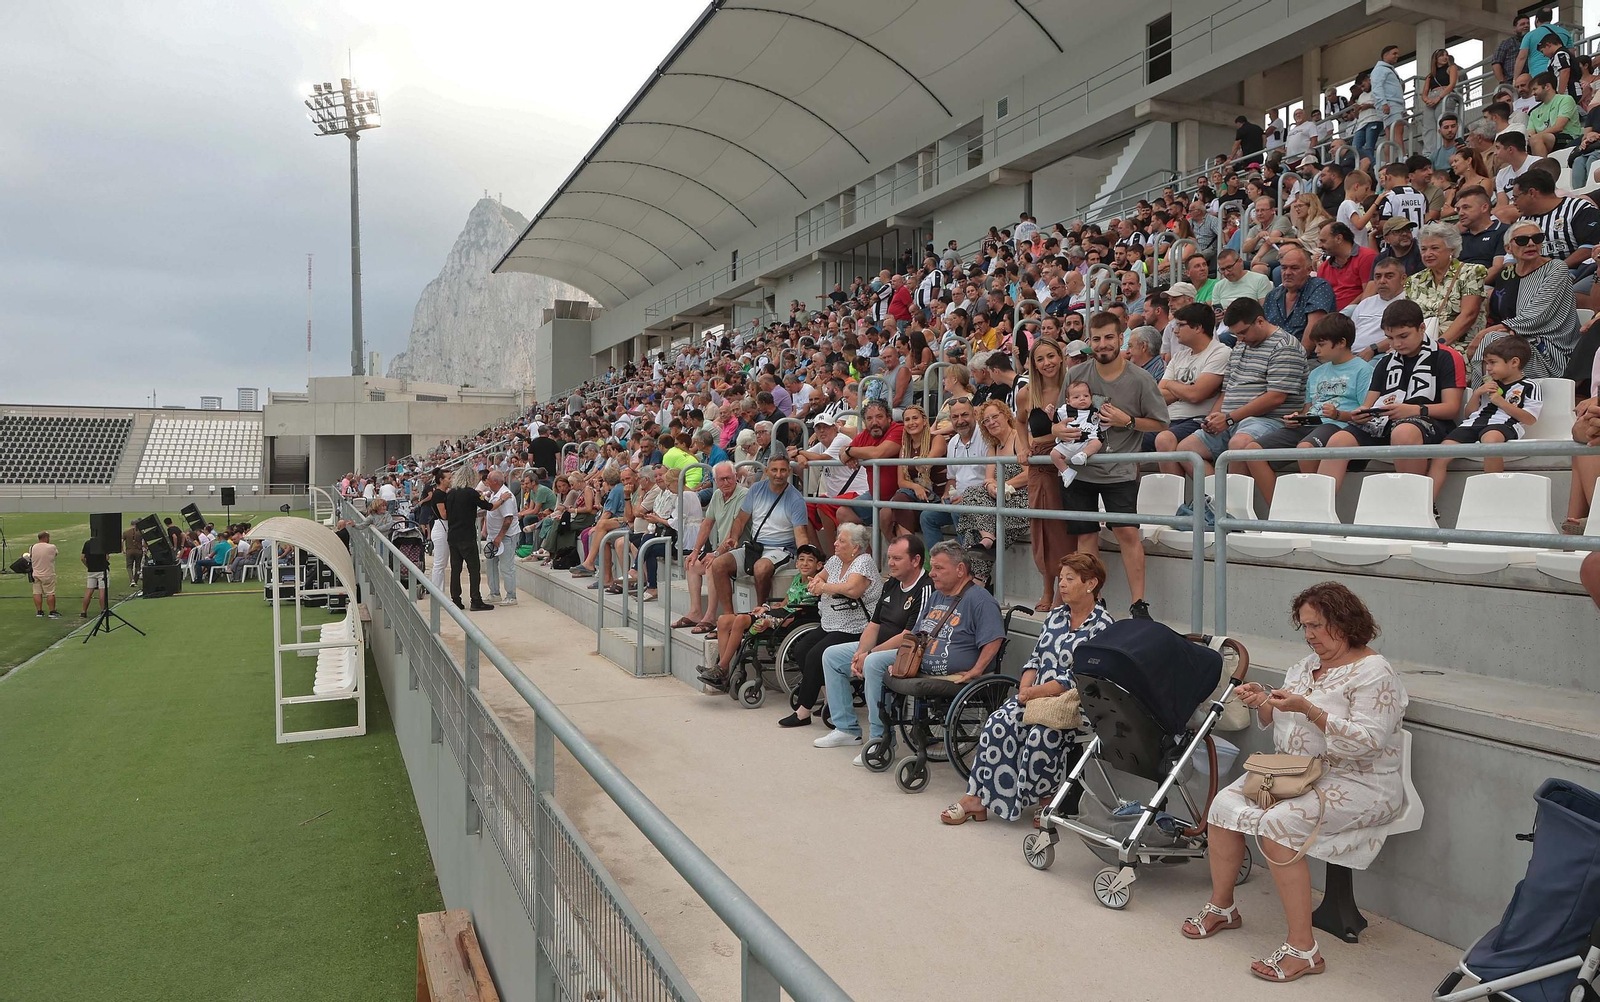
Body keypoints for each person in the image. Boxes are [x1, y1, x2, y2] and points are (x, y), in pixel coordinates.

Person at [1186, 583, 1408, 985]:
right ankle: (1223, 908)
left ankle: (1304, 950)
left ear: (1345, 622)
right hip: (1296, 772)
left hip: (1360, 781)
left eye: (1318, 626)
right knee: (1222, 806)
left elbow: (1371, 743)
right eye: (1304, 626)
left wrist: (1309, 709)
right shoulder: (1306, 665)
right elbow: (1285, 723)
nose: (1310, 635)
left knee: (1278, 825)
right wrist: (1265, 701)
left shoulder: (1375, 673)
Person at [940, 553, 1116, 826]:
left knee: (1042, 735)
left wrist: (1035, 693)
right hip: (1034, 696)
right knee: (998, 723)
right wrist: (1024, 688)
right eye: (1061, 579)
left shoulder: (1103, 625)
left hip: (1073, 705)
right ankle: (976, 798)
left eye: (1070, 579)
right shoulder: (1056, 616)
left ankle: (1046, 801)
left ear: (1091, 583)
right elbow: (1035, 658)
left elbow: (1080, 677)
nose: (1062, 585)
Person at [1066, 313, 1169, 620]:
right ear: (1089, 341)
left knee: (1126, 532)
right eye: (1096, 338)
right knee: (1085, 537)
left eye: (1109, 337)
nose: (1102, 344)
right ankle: (1091, 602)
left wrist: (1130, 421)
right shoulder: (1076, 374)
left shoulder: (1140, 378)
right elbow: (1062, 415)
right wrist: (1060, 430)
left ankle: (1138, 604)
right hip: (1080, 470)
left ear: (1121, 337)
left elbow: (1162, 422)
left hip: (1120, 469)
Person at [1314, 299, 1466, 490]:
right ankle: (1319, 509)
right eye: (1390, 338)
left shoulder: (1447, 356)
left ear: (1421, 328)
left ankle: (1414, 503)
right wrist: (1361, 414)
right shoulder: (1385, 363)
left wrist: (1413, 410)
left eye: (1403, 336)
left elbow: (1451, 408)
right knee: (1338, 440)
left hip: (1429, 421)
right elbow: (1368, 405)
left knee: (1403, 432)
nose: (1397, 344)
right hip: (1384, 422)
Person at [816, 535, 933, 760]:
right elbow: (873, 624)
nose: (890, 563)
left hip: (909, 652)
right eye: (889, 557)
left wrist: (869, 655)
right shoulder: (891, 583)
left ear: (916, 560)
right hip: (878, 649)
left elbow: (910, 636)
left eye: (897, 558)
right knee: (831, 655)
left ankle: (881, 740)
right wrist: (860, 653)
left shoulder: (925, 588)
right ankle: (847, 729)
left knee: (871, 663)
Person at [1243, 314, 1373, 504]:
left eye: (1321, 345)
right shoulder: (1317, 372)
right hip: (1310, 424)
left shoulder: (1363, 369)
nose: (1316, 350)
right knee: (1253, 451)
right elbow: (1309, 409)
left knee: (1305, 448)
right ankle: (1279, 512)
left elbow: (1365, 414)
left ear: (1341, 342)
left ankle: (1315, 510)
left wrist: (1338, 414)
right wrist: (1298, 418)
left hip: (1338, 426)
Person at [878, 540, 1007, 723]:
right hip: (923, 670)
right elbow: (915, 636)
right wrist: (901, 662)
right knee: (882, 669)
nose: (932, 574)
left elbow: (994, 639)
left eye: (938, 568)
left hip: (954, 678)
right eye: (932, 568)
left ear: (960, 570)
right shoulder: (937, 595)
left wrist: (977, 671)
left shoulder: (980, 600)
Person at [1176, 297, 1307, 475]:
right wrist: (1214, 417)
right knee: (1186, 449)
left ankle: (1231, 501)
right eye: (1236, 334)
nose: (1240, 338)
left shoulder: (1285, 346)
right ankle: (1217, 500)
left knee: (1238, 445)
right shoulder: (1240, 345)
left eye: (1243, 332)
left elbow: (1276, 397)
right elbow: (1227, 391)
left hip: (1267, 421)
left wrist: (1230, 418)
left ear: (1260, 321)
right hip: (1232, 420)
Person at [777, 523, 882, 729]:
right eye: (837, 539)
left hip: (856, 627)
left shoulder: (863, 562)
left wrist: (823, 587)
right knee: (801, 649)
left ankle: (803, 711)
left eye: (841, 541)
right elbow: (817, 578)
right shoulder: (835, 560)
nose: (834, 543)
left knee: (816, 655)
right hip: (830, 623)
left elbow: (853, 589)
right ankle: (829, 698)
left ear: (855, 547)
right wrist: (816, 583)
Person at [1428, 335, 1544, 496]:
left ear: (1514, 362)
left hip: (1503, 424)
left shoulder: (1530, 386)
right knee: (1441, 454)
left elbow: (1530, 419)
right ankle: (1429, 503)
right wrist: (1476, 394)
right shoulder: (1487, 385)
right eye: (1486, 363)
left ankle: (1492, 496)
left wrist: (1502, 402)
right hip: (1473, 424)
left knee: (1490, 441)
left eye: (1493, 362)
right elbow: (1469, 414)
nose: (1488, 368)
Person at [1474, 218, 1583, 382]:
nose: (1531, 244)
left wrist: (1483, 334)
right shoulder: (1506, 274)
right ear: (1508, 248)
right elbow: (1500, 316)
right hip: (1516, 340)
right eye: (1522, 240)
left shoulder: (1556, 268)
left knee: (1491, 340)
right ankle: (1489, 398)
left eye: (1537, 238)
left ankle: (1485, 400)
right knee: (1494, 343)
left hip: (1551, 349)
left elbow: (1537, 316)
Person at [698, 544, 822, 688]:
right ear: (797, 562)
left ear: (819, 565)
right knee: (723, 620)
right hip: (780, 613)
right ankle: (721, 670)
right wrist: (765, 608)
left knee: (740, 620)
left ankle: (722, 667)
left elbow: (800, 612)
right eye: (801, 559)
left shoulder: (816, 585)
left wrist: (772, 620)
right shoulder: (797, 578)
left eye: (810, 560)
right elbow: (783, 604)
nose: (805, 563)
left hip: (788, 620)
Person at [706, 455, 814, 612]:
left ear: (789, 472)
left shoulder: (796, 499)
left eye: (783, 470)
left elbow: (801, 534)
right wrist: (734, 538)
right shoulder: (756, 489)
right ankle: (728, 616)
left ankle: (760, 610)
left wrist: (804, 558)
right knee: (718, 564)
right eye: (774, 470)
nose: (778, 474)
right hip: (755, 547)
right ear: (766, 471)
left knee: (761, 567)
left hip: (781, 550)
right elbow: (740, 520)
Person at [954, 399, 1030, 585]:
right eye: (986, 420)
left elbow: (1030, 474)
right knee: (972, 494)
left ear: (1006, 416)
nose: (991, 422)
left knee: (976, 529)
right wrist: (991, 486)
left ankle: (977, 581)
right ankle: (987, 542)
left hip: (1021, 499)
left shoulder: (1019, 438)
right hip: (998, 499)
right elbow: (988, 479)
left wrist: (1002, 486)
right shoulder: (993, 446)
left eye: (995, 417)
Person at [678, 462, 747, 633]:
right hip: (722, 549)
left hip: (741, 549)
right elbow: (707, 524)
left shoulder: (744, 495)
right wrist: (695, 551)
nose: (726, 482)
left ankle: (710, 617)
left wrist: (715, 553)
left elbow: (735, 530)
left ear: (735, 477)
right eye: (721, 479)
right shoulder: (717, 495)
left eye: (729, 478)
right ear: (715, 480)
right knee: (692, 565)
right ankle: (695, 612)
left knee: (712, 566)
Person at [919, 397, 988, 545]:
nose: (960, 420)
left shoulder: (986, 438)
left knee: (958, 510)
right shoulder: (953, 443)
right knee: (927, 516)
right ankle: (939, 564)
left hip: (982, 500)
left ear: (974, 414)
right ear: (950, 419)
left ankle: (966, 561)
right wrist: (946, 494)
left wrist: (966, 498)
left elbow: (993, 478)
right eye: (955, 417)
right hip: (959, 501)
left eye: (964, 415)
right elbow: (952, 479)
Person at [1264, 246, 1336, 350]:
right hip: (1273, 357)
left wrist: (1295, 360)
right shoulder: (1272, 296)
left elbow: (1314, 330)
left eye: (1294, 268)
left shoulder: (1318, 287)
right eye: (1284, 268)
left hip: (1310, 359)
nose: (1287, 273)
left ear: (1309, 270)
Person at [445, 472, 495, 611]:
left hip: (453, 535)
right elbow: (488, 506)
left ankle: (456, 599)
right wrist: (501, 500)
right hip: (467, 536)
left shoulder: (451, 493)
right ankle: (476, 600)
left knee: (456, 569)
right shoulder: (471, 493)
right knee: (473, 569)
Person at [1049, 380, 1104, 487]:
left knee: (1097, 442)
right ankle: (1066, 472)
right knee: (1054, 454)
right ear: (1068, 401)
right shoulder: (1064, 410)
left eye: (1086, 396)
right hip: (1069, 443)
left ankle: (1083, 455)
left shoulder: (1095, 411)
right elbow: (1055, 420)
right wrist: (1050, 413)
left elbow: (1104, 423)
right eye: (1076, 397)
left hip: (1087, 441)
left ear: (1091, 398)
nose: (1082, 398)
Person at [482, 469, 518, 606]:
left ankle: (511, 595)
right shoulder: (495, 494)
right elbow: (489, 512)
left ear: (495, 481)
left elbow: (508, 519)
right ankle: (494, 593)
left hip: (505, 537)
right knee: (491, 565)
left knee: (506, 567)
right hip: (493, 536)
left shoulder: (506, 496)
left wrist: (499, 537)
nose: (487, 482)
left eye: (489, 480)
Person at [1528, 69, 1582, 156]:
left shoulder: (1565, 99)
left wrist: (1535, 137)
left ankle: (1542, 169)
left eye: (1535, 89)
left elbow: (1559, 127)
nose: (1533, 93)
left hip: (1570, 137)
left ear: (1547, 86)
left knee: (1536, 139)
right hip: (1546, 139)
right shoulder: (1534, 112)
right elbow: (1530, 133)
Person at [420, 469, 452, 591]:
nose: (451, 480)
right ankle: (437, 591)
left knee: (442, 564)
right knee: (439, 563)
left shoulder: (444, 494)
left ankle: (439, 590)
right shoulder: (438, 494)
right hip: (441, 527)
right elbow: (443, 514)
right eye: (448, 478)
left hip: (443, 527)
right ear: (441, 480)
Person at [28, 531, 59, 618]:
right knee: (50, 593)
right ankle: (52, 611)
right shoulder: (51, 547)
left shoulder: (32, 547)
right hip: (48, 574)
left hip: (36, 574)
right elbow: (55, 554)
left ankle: (39, 611)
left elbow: (30, 556)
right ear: (45, 537)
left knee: (37, 592)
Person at [79, 537, 109, 619]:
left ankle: (83, 612)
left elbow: (82, 558)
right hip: (101, 570)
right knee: (102, 591)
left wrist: (88, 566)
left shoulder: (87, 543)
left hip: (91, 570)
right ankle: (103, 610)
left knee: (89, 590)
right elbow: (107, 557)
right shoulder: (102, 543)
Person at [121, 519, 144, 587]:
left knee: (129, 566)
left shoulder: (126, 533)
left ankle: (132, 580)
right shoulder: (140, 532)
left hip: (129, 551)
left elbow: (121, 541)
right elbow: (144, 542)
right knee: (138, 566)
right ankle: (135, 580)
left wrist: (122, 550)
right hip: (138, 551)